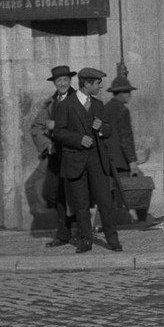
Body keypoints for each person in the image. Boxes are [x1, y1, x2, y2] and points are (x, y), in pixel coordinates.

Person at [51, 67, 121, 253]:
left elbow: (109, 130)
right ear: (87, 83)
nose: (101, 87)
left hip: (97, 159)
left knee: (105, 201)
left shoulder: (98, 105)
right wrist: (78, 139)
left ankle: (112, 239)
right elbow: (58, 132)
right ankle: (85, 240)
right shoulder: (65, 105)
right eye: (98, 83)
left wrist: (102, 128)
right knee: (80, 203)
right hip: (75, 160)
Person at [104, 74, 164, 228]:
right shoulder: (123, 111)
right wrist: (132, 162)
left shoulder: (106, 108)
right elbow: (126, 138)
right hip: (120, 160)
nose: (129, 95)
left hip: (106, 159)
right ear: (120, 93)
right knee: (140, 184)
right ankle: (143, 220)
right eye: (127, 92)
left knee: (110, 191)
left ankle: (108, 223)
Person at [29, 64, 77, 247]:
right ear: (54, 83)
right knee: (52, 193)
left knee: (76, 195)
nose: (63, 83)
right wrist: (46, 144)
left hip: (74, 155)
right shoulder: (51, 103)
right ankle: (64, 232)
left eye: (65, 80)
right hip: (56, 157)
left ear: (70, 81)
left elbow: (80, 126)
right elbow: (36, 126)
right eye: (59, 81)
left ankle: (78, 231)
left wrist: (55, 126)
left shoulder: (78, 99)